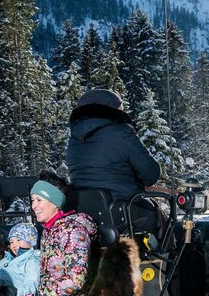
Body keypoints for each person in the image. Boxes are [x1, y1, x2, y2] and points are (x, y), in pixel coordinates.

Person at [65, 88, 162, 231]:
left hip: (85, 213)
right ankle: (167, 253)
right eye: (120, 107)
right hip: (122, 210)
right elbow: (151, 174)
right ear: (109, 108)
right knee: (163, 220)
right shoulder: (121, 132)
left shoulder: (74, 140)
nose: (123, 111)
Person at [0, 222, 40, 296]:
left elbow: (32, 285)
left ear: (31, 241)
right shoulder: (5, 261)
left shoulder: (32, 260)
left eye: (19, 240)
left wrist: (11, 293)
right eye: (11, 242)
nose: (14, 245)